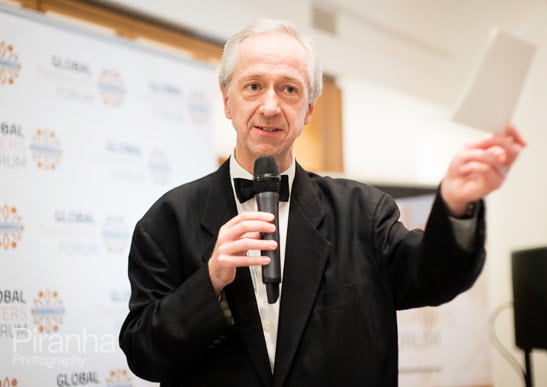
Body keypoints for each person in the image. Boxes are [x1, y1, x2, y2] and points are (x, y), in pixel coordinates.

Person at [119, 19, 526, 387]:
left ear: (308, 109)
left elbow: (433, 278)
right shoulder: (166, 219)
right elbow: (143, 354)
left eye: (289, 89)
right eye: (253, 85)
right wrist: (209, 282)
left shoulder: (363, 212)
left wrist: (455, 206)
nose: (271, 105)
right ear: (228, 100)